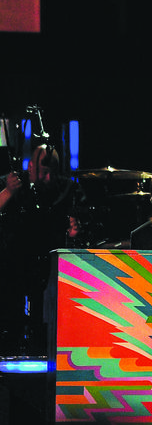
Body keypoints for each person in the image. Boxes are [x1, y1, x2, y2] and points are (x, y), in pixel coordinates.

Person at [0, 143, 83, 354]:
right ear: (30, 167)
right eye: (43, 171)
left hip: (49, 261)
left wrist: (74, 228)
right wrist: (8, 191)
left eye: (51, 172)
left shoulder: (64, 189)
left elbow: (74, 221)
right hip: (15, 260)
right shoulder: (15, 185)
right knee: (12, 308)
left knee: (46, 311)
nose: (47, 178)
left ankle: (41, 347)